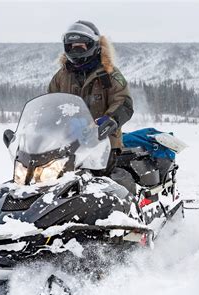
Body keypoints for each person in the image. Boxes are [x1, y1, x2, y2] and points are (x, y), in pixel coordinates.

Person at [48, 20, 134, 183]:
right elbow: (50, 103)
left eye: (81, 46)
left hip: (103, 143)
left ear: (93, 45)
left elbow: (124, 102)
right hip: (67, 143)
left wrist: (109, 120)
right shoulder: (62, 75)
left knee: (92, 184)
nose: (76, 49)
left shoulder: (109, 74)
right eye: (72, 46)